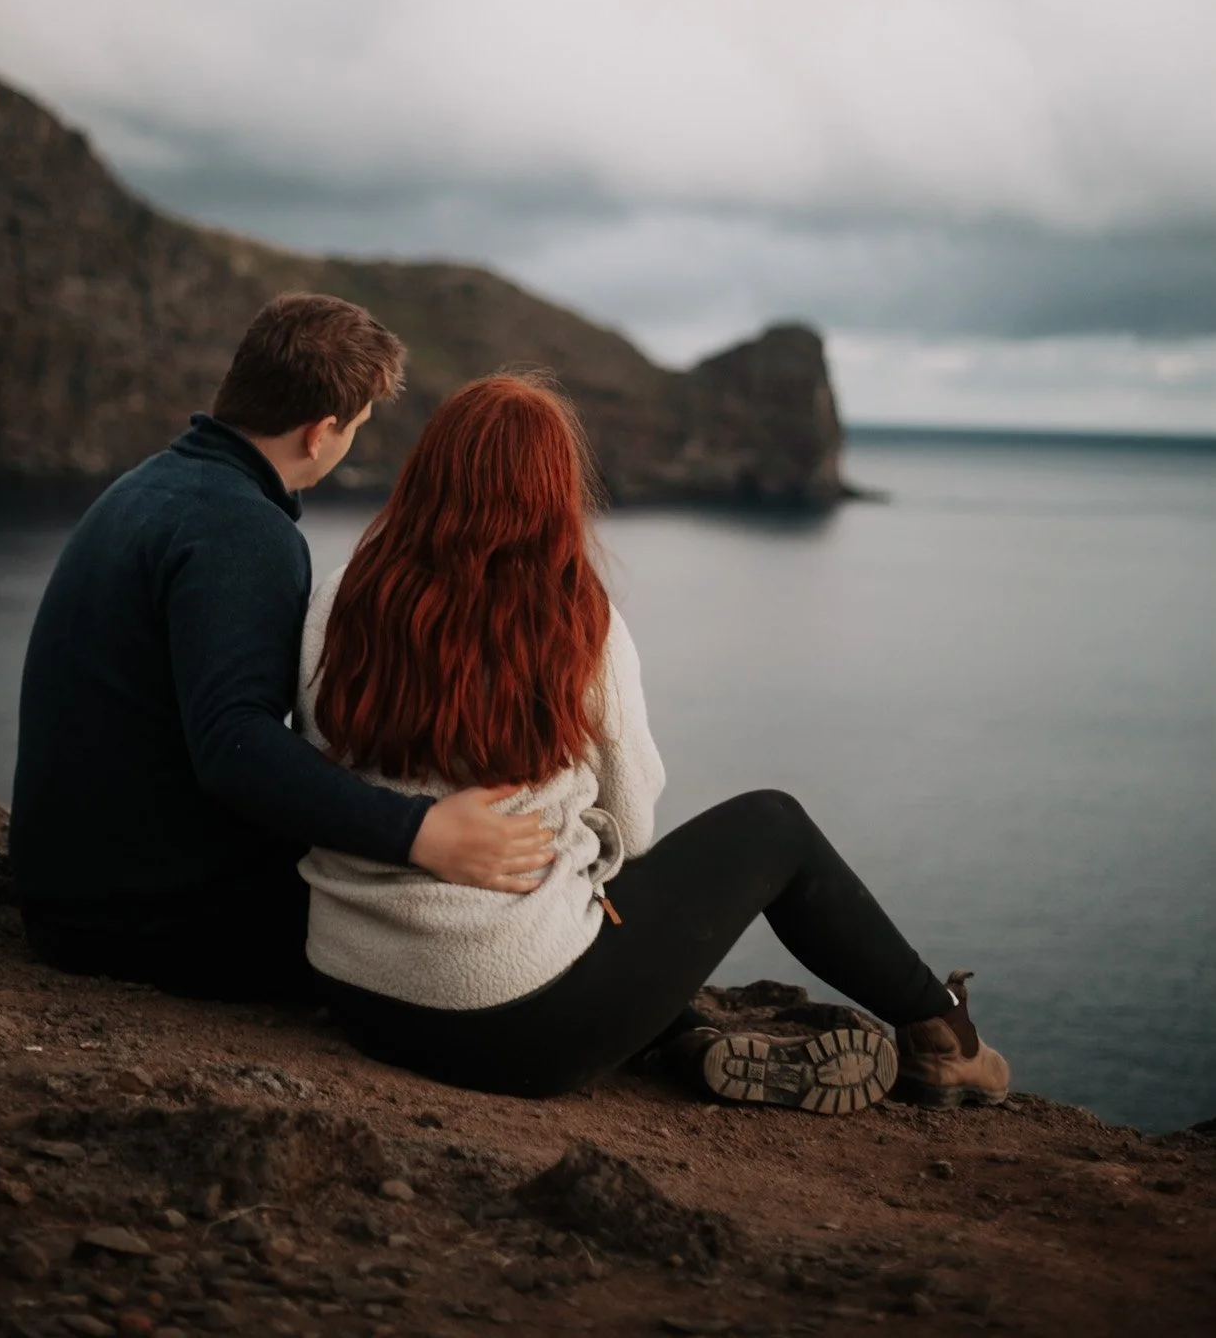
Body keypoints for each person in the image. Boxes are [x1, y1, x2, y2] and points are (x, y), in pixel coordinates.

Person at [297, 373, 1010, 1110]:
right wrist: (580, 836)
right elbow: (634, 825)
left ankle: (687, 1043)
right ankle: (945, 1038)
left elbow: (317, 762)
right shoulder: (574, 623)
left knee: (597, 936)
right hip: (518, 1031)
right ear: (554, 491)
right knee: (773, 825)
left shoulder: (340, 594)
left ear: (428, 471)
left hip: (358, 995)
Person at [10, 294, 553, 1000]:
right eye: (357, 426)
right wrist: (419, 832)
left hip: (70, 889)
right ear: (320, 431)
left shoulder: (145, 488)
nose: (351, 440)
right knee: (455, 917)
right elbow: (235, 745)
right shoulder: (245, 532)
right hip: (140, 920)